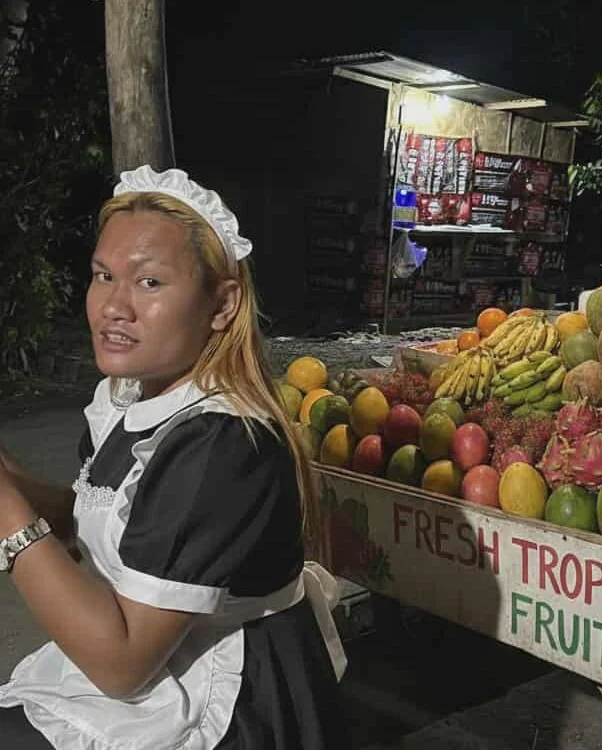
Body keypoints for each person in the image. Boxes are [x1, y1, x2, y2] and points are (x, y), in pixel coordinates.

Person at [0, 165, 351, 749]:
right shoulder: (131, 396)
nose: (114, 306)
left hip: (220, 693)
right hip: (153, 656)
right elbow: (99, 520)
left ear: (223, 304)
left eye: (149, 283)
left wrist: (7, 512)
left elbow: (121, 665)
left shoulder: (222, 443)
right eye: (103, 275)